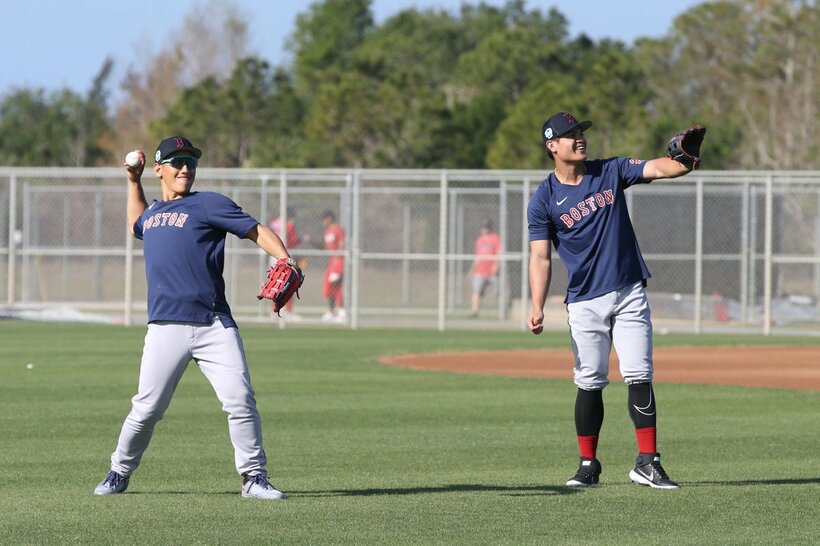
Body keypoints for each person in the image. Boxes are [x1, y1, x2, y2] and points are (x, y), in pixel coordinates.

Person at [94, 136, 294, 500]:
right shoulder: (152, 214)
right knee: (147, 409)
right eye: (176, 161)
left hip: (213, 324)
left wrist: (285, 259)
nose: (185, 167)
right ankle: (119, 471)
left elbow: (256, 230)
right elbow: (136, 222)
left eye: (190, 161)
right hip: (165, 327)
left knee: (240, 399)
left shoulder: (209, 205)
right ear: (160, 169)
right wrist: (133, 180)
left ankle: (253, 477)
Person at [527, 112, 704, 489]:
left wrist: (684, 161)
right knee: (589, 380)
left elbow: (659, 168)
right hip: (584, 301)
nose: (579, 139)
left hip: (628, 290)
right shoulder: (543, 199)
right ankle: (588, 465)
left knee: (639, 373)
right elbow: (540, 256)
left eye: (580, 133)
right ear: (551, 146)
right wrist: (536, 306)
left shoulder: (610, 171)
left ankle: (647, 462)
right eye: (569, 135)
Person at [267, 207, 308, 320]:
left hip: (273, 254)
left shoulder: (274, 222)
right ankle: (288, 312)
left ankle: (275, 311)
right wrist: (302, 239)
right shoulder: (289, 225)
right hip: (284, 255)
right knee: (290, 283)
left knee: (277, 284)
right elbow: (292, 241)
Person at [469, 221, 502, 318]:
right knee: (476, 292)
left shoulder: (495, 238)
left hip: (492, 272)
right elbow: (477, 256)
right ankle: (474, 312)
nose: (484, 230)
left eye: (486, 228)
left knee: (498, 292)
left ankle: (502, 312)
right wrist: (472, 269)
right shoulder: (479, 240)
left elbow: (498, 252)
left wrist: (496, 265)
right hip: (480, 271)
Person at [320, 210, 346, 323]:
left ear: (330, 218)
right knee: (328, 288)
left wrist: (337, 262)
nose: (323, 222)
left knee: (336, 286)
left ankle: (341, 311)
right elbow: (324, 247)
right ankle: (331, 311)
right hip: (331, 264)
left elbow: (342, 245)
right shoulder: (327, 232)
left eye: (325, 219)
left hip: (338, 262)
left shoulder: (338, 230)